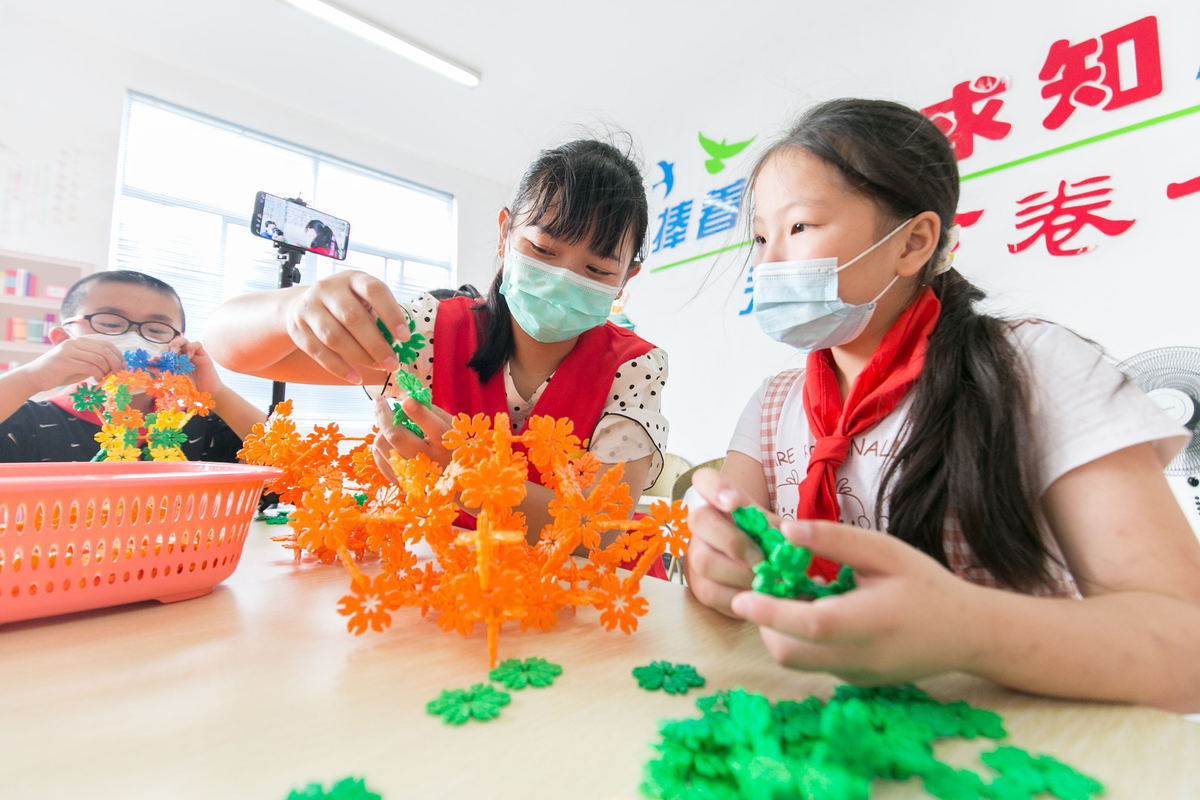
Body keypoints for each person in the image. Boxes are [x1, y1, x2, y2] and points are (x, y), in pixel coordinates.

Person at [684, 98, 1200, 711]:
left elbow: (1185, 648)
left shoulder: (1032, 366)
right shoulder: (774, 403)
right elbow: (727, 562)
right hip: (823, 730)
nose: (767, 264)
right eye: (761, 237)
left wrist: (967, 629)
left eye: (799, 228)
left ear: (914, 243)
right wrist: (716, 560)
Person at [206, 139, 669, 535]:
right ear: (505, 233)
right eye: (543, 250)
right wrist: (295, 308)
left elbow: (602, 530)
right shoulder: (431, 333)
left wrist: (471, 479)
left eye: (596, 270)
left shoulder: (632, 368)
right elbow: (233, 349)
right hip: (451, 603)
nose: (562, 278)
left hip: (580, 606)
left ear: (627, 278)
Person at [0, 269, 266, 462]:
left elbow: (293, 464)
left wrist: (216, 393)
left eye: (156, 329)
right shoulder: (31, 421)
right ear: (62, 339)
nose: (136, 340)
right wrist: (30, 378)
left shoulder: (196, 423)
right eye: (110, 324)